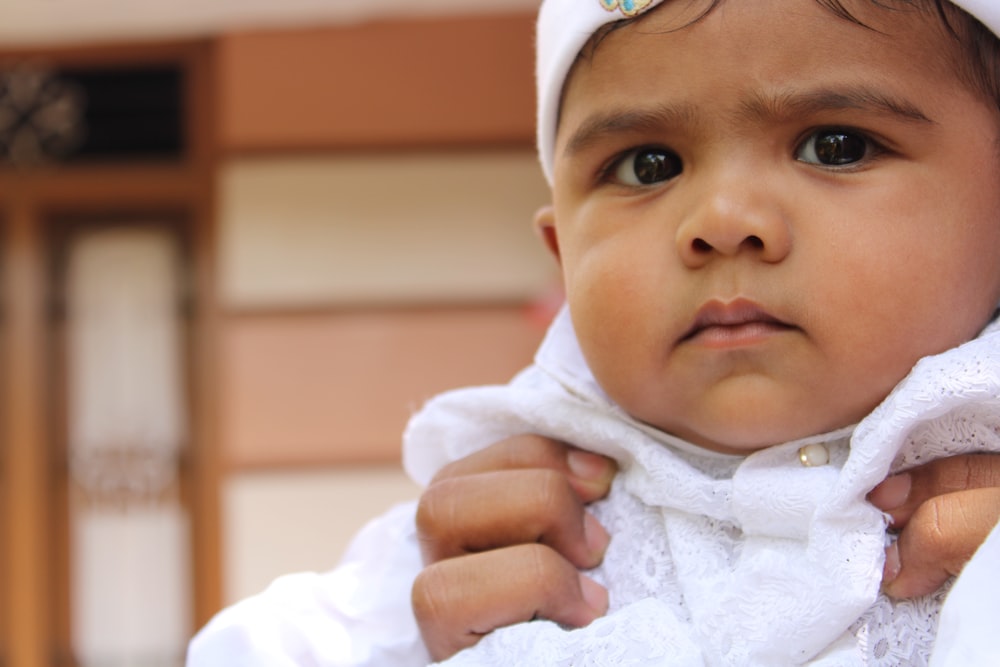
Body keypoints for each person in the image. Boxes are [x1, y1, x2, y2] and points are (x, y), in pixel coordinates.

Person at [187, 0, 1000, 664]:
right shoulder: (515, 527)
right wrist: (402, 633)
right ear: (563, 258)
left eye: (836, 145)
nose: (722, 222)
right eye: (648, 165)